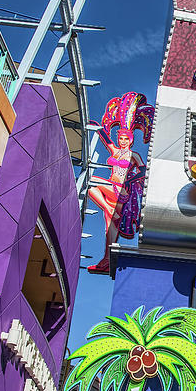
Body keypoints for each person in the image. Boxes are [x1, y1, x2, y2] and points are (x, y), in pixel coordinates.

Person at [87, 92, 153, 274]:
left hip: (121, 191)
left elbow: (142, 170)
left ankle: (109, 210)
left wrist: (128, 182)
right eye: (120, 138)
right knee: (110, 227)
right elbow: (105, 138)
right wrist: (96, 126)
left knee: (91, 181)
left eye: (126, 138)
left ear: (131, 139)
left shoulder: (134, 155)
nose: (122, 141)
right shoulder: (115, 150)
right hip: (111, 190)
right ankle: (107, 260)